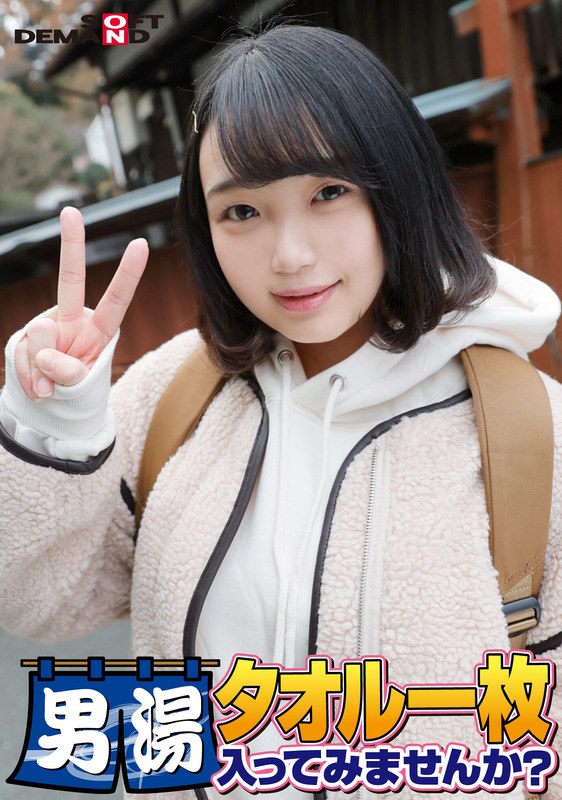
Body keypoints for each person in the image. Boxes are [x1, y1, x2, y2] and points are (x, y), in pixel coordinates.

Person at [1, 23, 561, 800]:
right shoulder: (171, 396)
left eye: (328, 192)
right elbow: (38, 602)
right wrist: (59, 424)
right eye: (242, 212)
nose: (290, 255)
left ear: (397, 186)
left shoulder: (533, 435)